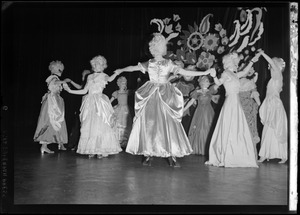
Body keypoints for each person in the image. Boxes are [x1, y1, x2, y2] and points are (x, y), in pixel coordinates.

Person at [113, 33, 216, 167]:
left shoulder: (168, 63)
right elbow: (133, 67)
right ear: (157, 48)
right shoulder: (149, 63)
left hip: (165, 94)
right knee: (150, 123)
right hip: (151, 95)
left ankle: (171, 154)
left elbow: (184, 72)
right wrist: (120, 70)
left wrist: (203, 73)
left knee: (168, 123)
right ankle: (148, 153)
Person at [205, 51, 262, 168]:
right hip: (230, 102)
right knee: (229, 127)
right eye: (236, 61)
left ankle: (236, 154)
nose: (237, 63)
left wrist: (252, 61)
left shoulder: (236, 74)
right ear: (230, 62)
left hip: (236, 102)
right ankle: (225, 155)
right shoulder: (226, 73)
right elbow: (218, 83)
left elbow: (245, 71)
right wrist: (215, 76)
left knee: (238, 128)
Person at [63, 55, 122, 159]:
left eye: (100, 64)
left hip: (99, 102)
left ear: (103, 66)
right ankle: (91, 149)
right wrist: (70, 91)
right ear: (93, 64)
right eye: (95, 64)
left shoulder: (104, 75)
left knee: (101, 125)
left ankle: (100, 149)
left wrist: (117, 72)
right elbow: (84, 91)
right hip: (89, 102)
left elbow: (111, 79)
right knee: (89, 126)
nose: (97, 66)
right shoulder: (89, 77)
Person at [257, 51, 288, 164]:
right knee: (269, 129)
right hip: (270, 104)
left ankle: (283, 155)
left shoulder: (278, 75)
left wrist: (262, 54)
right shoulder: (273, 78)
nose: (270, 66)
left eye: (272, 64)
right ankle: (265, 154)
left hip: (275, 105)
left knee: (277, 128)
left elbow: (272, 63)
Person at [33, 60, 68, 153]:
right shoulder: (53, 77)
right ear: (55, 70)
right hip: (52, 102)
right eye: (59, 70)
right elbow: (55, 83)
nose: (61, 72)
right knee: (51, 121)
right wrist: (64, 81)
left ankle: (59, 144)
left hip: (55, 100)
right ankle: (48, 145)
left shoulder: (54, 77)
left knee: (53, 122)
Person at [183, 75, 219, 156]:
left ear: (209, 83)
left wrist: (215, 76)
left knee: (208, 128)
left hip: (208, 112)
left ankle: (208, 149)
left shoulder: (210, 90)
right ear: (200, 82)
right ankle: (198, 147)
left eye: (207, 81)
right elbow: (191, 102)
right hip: (199, 111)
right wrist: (183, 109)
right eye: (203, 81)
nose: (205, 83)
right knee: (198, 128)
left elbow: (218, 84)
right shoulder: (196, 92)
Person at [64, 69, 91, 151]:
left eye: (84, 75)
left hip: (88, 107)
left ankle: (81, 145)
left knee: (83, 126)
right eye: (82, 75)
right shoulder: (85, 84)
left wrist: (69, 90)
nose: (82, 77)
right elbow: (80, 87)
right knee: (77, 125)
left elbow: (82, 90)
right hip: (82, 107)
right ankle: (75, 144)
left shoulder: (91, 83)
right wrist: (71, 81)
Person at [238, 66, 261, 160]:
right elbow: (256, 97)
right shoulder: (250, 83)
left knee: (241, 129)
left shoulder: (236, 83)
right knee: (250, 129)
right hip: (248, 109)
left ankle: (239, 154)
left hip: (240, 108)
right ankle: (249, 155)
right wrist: (259, 105)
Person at [110, 76, 133, 149]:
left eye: (125, 83)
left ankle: (125, 142)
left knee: (127, 125)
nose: (124, 84)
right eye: (122, 83)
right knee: (118, 125)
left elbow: (137, 93)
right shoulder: (116, 93)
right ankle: (118, 142)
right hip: (119, 109)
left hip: (127, 110)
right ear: (119, 84)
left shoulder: (128, 92)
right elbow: (110, 101)